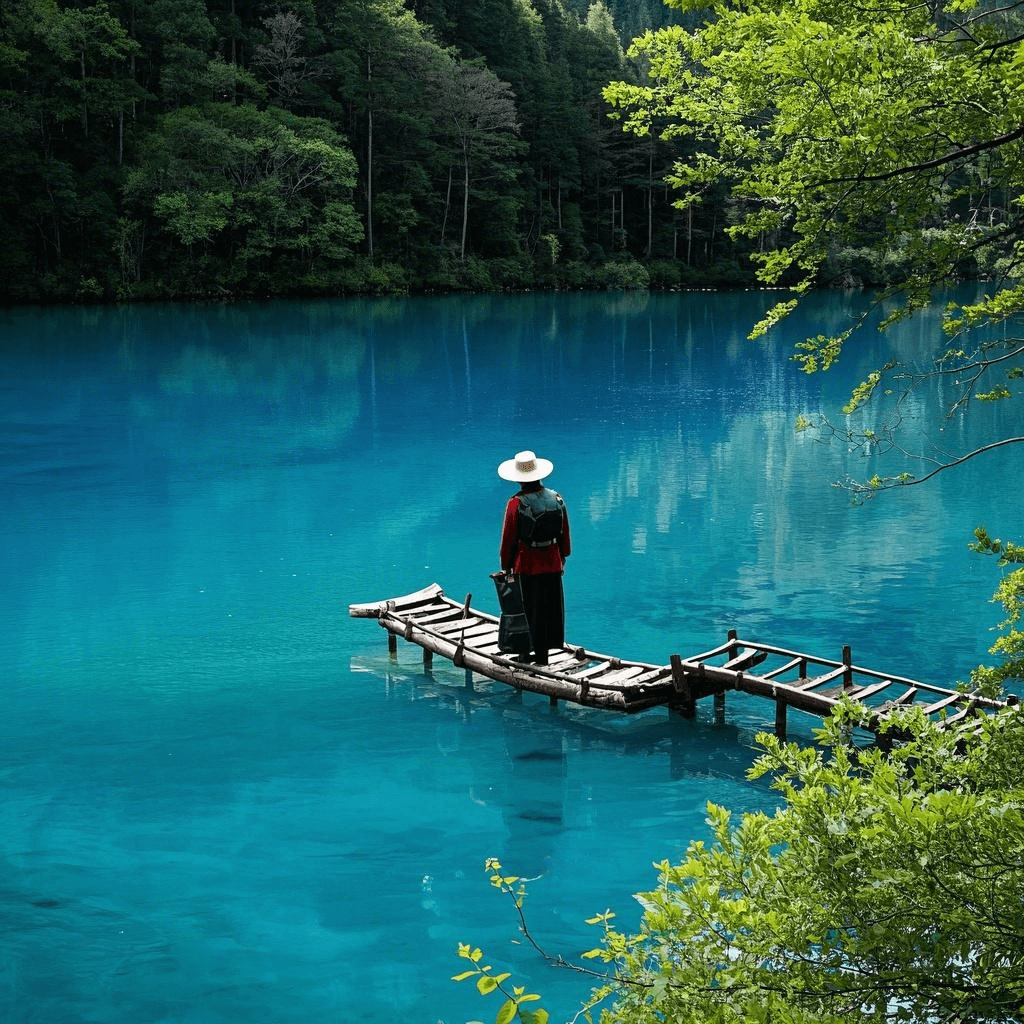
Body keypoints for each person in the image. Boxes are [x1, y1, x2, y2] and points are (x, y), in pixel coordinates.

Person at [498, 450, 571, 665]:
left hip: (527, 565)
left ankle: (524, 656)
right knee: (549, 609)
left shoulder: (515, 503)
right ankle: (543, 657)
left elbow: (508, 540)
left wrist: (506, 567)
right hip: (553, 562)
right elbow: (564, 536)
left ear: (519, 478)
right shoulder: (557, 498)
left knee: (527, 610)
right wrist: (562, 557)